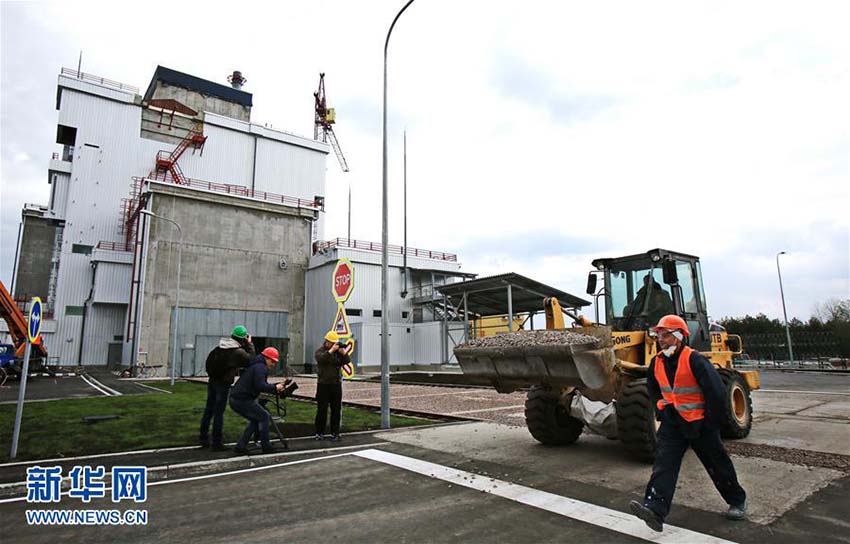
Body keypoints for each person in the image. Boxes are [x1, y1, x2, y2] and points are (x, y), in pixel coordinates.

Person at [629, 314, 747, 532]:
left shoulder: (695, 360)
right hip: (673, 425)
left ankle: (737, 500)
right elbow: (654, 389)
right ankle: (654, 510)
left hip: (700, 425)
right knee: (664, 465)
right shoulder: (657, 362)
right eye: (659, 335)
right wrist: (661, 411)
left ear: (678, 336)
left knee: (717, 464)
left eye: (665, 335)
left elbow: (716, 393)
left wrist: (710, 424)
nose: (660, 339)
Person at [199, 325, 255, 451]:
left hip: (212, 380)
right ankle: (216, 442)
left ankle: (203, 438)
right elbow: (251, 360)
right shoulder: (236, 352)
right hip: (223, 384)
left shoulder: (219, 347)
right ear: (243, 339)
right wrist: (250, 344)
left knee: (209, 410)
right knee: (219, 412)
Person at [229, 347, 286, 455]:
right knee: (264, 416)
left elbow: (259, 385)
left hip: (237, 398)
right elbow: (260, 386)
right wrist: (275, 388)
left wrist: (275, 386)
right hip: (242, 399)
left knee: (256, 419)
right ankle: (266, 446)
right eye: (272, 361)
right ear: (266, 358)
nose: (273, 364)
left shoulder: (256, 365)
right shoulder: (261, 367)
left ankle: (240, 446)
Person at [313, 331, 351, 442]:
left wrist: (344, 353)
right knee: (322, 410)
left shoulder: (337, 353)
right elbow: (321, 359)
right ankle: (319, 432)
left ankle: (335, 432)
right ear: (327, 342)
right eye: (333, 343)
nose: (334, 345)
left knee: (336, 410)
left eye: (335, 343)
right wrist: (331, 351)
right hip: (323, 385)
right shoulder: (320, 351)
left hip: (335, 384)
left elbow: (347, 361)